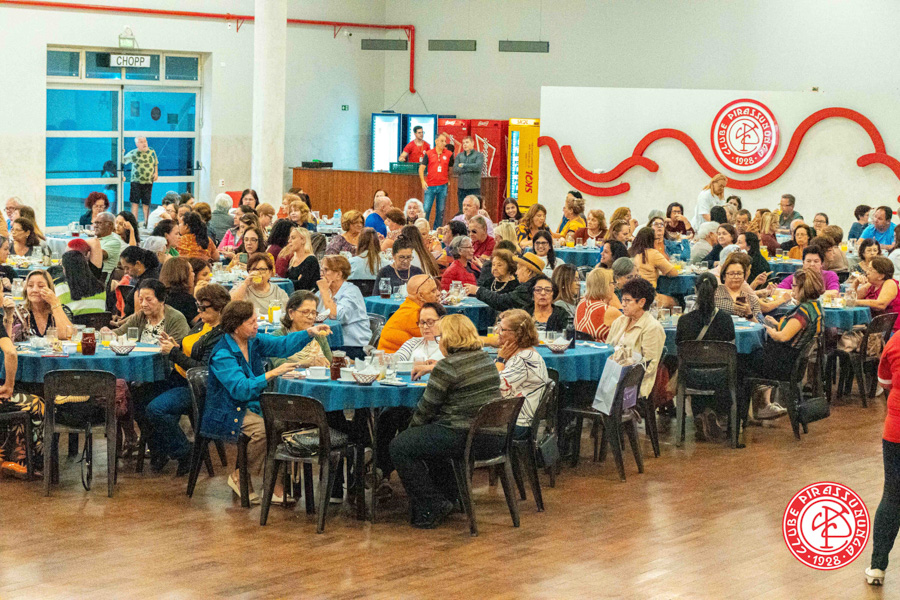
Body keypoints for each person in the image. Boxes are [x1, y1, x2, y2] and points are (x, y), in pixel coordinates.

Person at [203, 300, 331, 504]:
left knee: (285, 423)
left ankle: (273, 485)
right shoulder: (222, 354)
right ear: (236, 327)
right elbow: (241, 389)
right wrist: (272, 373)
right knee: (263, 430)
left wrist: (309, 333)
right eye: (252, 322)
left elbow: (281, 345)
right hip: (228, 409)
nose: (257, 325)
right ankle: (241, 476)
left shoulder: (252, 341)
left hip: (252, 404)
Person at [389, 313, 502, 529]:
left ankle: (433, 503)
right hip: (493, 435)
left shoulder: (448, 366)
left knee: (400, 446)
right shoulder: (485, 359)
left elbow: (426, 410)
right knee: (427, 438)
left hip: (465, 435)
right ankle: (451, 495)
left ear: (449, 339)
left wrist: (409, 432)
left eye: (440, 337)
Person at [145, 284, 230, 474]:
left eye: (203, 307)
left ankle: (185, 452)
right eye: (198, 306)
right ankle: (160, 450)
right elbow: (191, 352)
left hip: (199, 388)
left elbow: (203, 370)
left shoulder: (221, 335)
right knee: (139, 394)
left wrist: (174, 353)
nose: (198, 311)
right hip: (180, 378)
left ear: (220, 308)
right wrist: (176, 346)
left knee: (156, 409)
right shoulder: (203, 324)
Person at [744, 269, 823, 419]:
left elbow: (782, 337)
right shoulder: (815, 307)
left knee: (741, 359)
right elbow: (794, 330)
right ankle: (760, 407)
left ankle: (741, 416)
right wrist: (777, 324)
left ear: (803, 288)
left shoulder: (803, 312)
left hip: (783, 365)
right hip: (793, 363)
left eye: (794, 286)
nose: (792, 289)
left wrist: (767, 328)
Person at [674, 272, 736, 441]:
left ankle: (701, 414)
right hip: (721, 377)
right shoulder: (726, 319)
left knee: (694, 366)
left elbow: (679, 346)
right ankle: (715, 414)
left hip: (691, 377)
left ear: (696, 290)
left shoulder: (684, 320)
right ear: (716, 291)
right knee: (725, 370)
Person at [868, 323, 900, 585]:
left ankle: (877, 567)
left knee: (892, 496)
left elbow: (884, 382)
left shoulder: (896, 341)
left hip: (896, 431)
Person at [494, 308, 550, 439]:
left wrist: (500, 361)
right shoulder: (523, 354)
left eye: (502, 329)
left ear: (518, 334)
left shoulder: (524, 359)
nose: (497, 332)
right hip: (516, 419)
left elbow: (496, 388)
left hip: (518, 424)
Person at [606, 277, 666, 399]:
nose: (623, 304)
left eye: (628, 300)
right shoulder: (619, 321)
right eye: (623, 300)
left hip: (634, 385)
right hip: (611, 377)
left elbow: (649, 367)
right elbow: (607, 350)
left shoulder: (652, 327)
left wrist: (621, 380)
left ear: (642, 302)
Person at [317, 255, 372, 359]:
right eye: (321, 270)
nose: (321, 273)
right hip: (329, 343)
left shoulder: (352, 292)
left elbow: (336, 315)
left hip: (352, 347)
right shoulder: (324, 292)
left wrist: (324, 291)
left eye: (326, 270)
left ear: (338, 274)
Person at [110, 278, 190, 344]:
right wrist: (108, 333)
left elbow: (176, 348)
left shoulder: (176, 319)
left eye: (149, 300)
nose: (143, 304)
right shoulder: (140, 316)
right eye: (141, 299)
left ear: (162, 300)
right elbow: (120, 332)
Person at [269, 290, 334, 368]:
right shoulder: (278, 336)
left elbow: (330, 362)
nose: (311, 317)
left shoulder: (318, 335)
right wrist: (304, 364)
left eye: (313, 313)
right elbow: (279, 365)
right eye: (305, 312)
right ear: (291, 313)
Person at [378, 274, 441, 353]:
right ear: (420, 296)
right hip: (394, 358)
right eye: (433, 291)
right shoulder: (415, 314)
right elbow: (436, 340)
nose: (438, 293)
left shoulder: (409, 308)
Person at [8, 270, 73, 341]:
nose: (35, 290)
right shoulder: (17, 312)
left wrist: (54, 303)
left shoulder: (61, 309)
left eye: (41, 286)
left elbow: (67, 336)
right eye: (30, 286)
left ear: (50, 289)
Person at [468, 252, 544, 312]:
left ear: (529, 272)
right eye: (493, 265)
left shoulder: (528, 288)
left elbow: (501, 301)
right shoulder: (534, 284)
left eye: (519, 269)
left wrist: (478, 290)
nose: (516, 272)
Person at [630, 227, 678, 307]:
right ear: (652, 240)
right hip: (648, 295)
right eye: (656, 239)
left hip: (631, 293)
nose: (658, 241)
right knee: (675, 301)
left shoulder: (631, 252)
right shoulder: (652, 253)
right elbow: (674, 273)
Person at [851, 257, 900, 331]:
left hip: (890, 329)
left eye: (870, 270)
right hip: (874, 327)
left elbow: (881, 304)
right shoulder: (871, 285)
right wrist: (855, 283)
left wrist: (856, 302)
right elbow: (851, 298)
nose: (867, 272)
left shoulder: (890, 283)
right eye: (867, 269)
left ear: (881, 276)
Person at [576, 267, 622, 342]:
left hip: (582, 347)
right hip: (602, 348)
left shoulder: (581, 303)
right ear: (605, 286)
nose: (614, 286)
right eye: (612, 283)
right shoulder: (609, 311)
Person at [715, 252, 764, 323]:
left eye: (739, 273)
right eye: (731, 274)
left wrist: (749, 314)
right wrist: (734, 308)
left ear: (744, 276)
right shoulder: (715, 293)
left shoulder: (751, 299)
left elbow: (761, 325)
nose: (736, 277)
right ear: (724, 276)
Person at [56, 250, 106, 316]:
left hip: (71, 322)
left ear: (65, 269)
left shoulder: (60, 288)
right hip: (99, 322)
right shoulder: (101, 288)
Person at [419, 133, 453, 227]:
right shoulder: (429, 153)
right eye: (442, 141)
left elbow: (450, 169)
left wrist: (448, 179)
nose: (444, 143)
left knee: (440, 210)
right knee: (426, 209)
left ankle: (437, 229)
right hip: (430, 186)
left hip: (443, 186)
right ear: (436, 141)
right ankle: (424, 228)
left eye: (445, 141)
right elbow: (421, 168)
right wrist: (422, 181)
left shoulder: (449, 154)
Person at [117, 246, 161, 317]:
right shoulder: (146, 276)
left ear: (138, 264)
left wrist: (121, 322)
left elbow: (139, 315)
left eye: (127, 268)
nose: (125, 272)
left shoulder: (147, 282)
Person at [123, 137, 158, 226]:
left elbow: (155, 163)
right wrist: (122, 152)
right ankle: (134, 222)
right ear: (137, 144)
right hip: (136, 182)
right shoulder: (133, 153)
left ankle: (147, 222)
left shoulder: (152, 151)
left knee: (146, 203)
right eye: (141, 142)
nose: (144, 143)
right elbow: (123, 160)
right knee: (135, 203)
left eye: (145, 141)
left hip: (148, 181)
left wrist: (156, 173)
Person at [159, 257, 198, 325]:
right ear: (183, 275)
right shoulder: (186, 300)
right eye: (191, 271)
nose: (194, 274)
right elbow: (202, 324)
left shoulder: (160, 294)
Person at [279, 227, 320, 292]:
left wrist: (290, 282)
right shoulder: (292, 259)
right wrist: (294, 281)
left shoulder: (311, 260)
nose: (289, 241)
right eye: (289, 238)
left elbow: (303, 285)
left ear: (303, 240)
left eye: (293, 238)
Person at [453, 136, 484, 212]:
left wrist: (464, 165)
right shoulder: (459, 156)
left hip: (473, 187)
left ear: (472, 143)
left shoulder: (479, 155)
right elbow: (455, 169)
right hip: (462, 187)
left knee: (475, 210)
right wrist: (470, 168)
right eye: (463, 143)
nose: (465, 144)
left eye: (467, 142)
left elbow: (477, 167)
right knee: (462, 210)